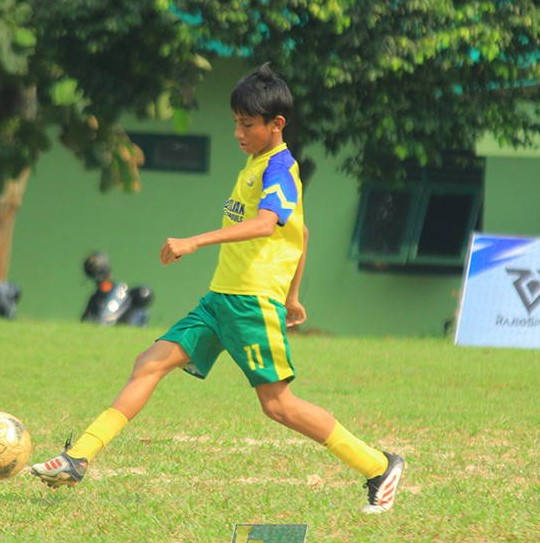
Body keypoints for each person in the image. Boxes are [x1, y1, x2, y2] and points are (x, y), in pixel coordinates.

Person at [32, 64, 405, 513]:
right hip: (220, 299)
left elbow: (268, 224)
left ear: (276, 125)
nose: (237, 132)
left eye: (246, 124)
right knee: (148, 363)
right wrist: (293, 295)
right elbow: (300, 234)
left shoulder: (281, 167)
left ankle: (378, 466)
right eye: (235, 122)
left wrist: (195, 241)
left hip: (249, 303)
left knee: (278, 406)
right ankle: (78, 459)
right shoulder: (255, 165)